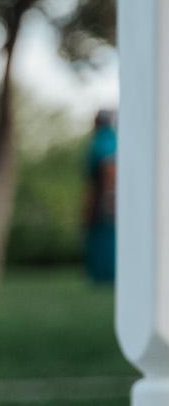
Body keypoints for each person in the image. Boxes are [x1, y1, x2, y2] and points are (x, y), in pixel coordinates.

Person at [86, 108, 116, 286]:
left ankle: (106, 277)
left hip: (103, 197)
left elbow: (109, 166)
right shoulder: (113, 138)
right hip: (106, 195)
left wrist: (109, 196)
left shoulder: (104, 141)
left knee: (105, 239)